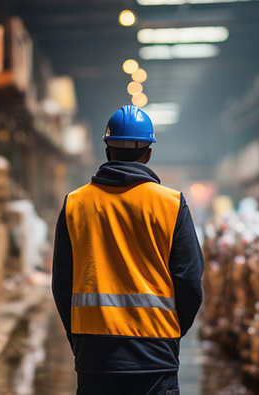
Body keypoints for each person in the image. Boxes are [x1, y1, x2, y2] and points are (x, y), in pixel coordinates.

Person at [51, 105, 204, 395]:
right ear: (148, 152)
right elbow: (190, 282)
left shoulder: (75, 204)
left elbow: (62, 283)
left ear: (107, 149)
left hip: (94, 354)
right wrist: (168, 334)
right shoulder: (171, 204)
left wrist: (80, 338)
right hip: (156, 352)